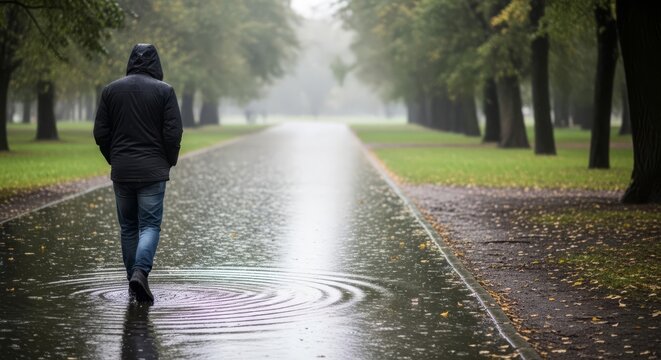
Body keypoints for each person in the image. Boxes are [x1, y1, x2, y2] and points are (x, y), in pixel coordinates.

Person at [94, 44, 183, 303]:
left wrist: (115, 158)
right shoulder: (165, 91)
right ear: (156, 63)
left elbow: (101, 133)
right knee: (150, 225)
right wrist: (169, 161)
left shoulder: (111, 91)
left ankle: (132, 278)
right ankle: (140, 273)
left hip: (122, 170)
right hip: (153, 171)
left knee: (129, 227)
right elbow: (173, 132)